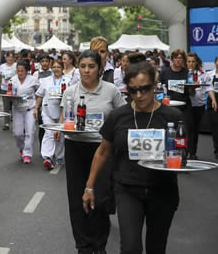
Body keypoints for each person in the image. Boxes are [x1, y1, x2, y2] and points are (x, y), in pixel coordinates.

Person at [83, 59, 183, 254]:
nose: (139, 95)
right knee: (130, 247)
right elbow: (102, 151)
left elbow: (181, 152)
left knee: (156, 247)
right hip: (127, 188)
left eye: (145, 89)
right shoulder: (119, 116)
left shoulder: (172, 116)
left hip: (162, 190)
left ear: (155, 84)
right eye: (133, 90)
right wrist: (89, 186)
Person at [54, 50, 125, 254]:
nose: (87, 71)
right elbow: (64, 117)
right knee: (77, 199)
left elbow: (122, 117)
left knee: (100, 198)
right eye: (83, 66)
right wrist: (59, 130)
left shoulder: (111, 91)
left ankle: (99, 244)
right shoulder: (70, 92)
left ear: (99, 68)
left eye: (91, 66)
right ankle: (83, 246)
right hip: (75, 147)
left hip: (101, 149)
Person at [34, 58, 66, 169]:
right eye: (55, 67)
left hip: (62, 112)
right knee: (49, 133)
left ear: (62, 69)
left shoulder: (68, 80)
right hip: (47, 111)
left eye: (59, 67)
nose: (56, 69)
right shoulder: (46, 81)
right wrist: (36, 108)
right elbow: (40, 95)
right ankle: (47, 157)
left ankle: (60, 155)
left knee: (60, 135)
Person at [185, 52, 215, 160]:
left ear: (196, 62)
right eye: (188, 61)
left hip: (200, 104)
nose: (191, 63)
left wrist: (213, 100)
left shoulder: (203, 73)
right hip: (187, 104)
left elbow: (209, 88)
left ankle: (193, 152)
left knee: (196, 128)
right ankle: (188, 152)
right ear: (186, 62)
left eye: (193, 61)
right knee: (189, 128)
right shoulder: (184, 73)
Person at [11, 60, 39, 163]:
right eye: (18, 71)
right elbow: (9, 92)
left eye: (22, 71)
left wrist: (37, 106)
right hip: (17, 108)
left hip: (29, 108)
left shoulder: (33, 80)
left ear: (27, 71)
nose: (20, 73)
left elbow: (39, 91)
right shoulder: (13, 80)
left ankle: (27, 154)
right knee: (17, 133)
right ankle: (22, 147)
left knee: (30, 131)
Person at [33, 53, 53, 146]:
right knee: (42, 126)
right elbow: (34, 89)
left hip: (51, 103)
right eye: (43, 61)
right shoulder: (36, 74)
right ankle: (42, 147)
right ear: (40, 62)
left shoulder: (53, 73)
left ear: (49, 62)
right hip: (40, 102)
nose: (44, 63)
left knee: (52, 127)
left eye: (46, 61)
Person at [0, 51, 16, 130]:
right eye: (8, 57)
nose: (10, 59)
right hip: (4, 88)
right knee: (6, 106)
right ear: (5, 58)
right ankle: (6, 123)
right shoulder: (2, 66)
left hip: (14, 89)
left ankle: (16, 122)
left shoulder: (16, 66)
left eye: (11, 57)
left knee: (14, 106)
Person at [207, 56, 218, 159]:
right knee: (215, 127)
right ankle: (217, 150)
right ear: (215, 63)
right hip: (213, 103)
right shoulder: (210, 74)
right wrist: (214, 100)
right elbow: (208, 88)